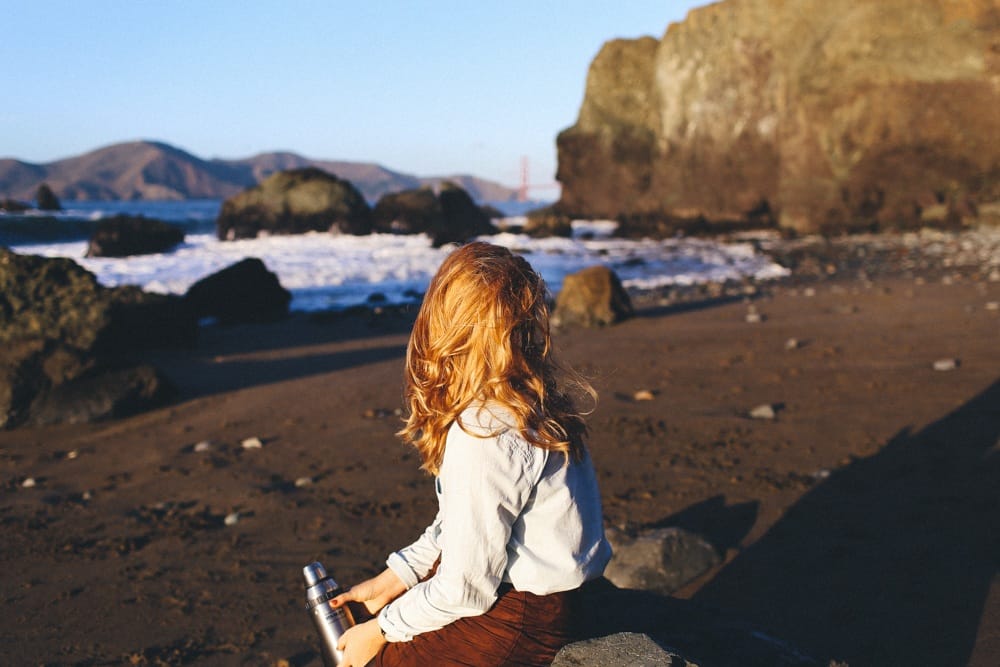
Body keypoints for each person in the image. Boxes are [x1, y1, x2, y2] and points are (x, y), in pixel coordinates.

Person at [331, 242, 612, 666]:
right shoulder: (528, 402)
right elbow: (460, 526)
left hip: (523, 616)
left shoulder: (485, 430)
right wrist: (394, 580)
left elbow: (466, 588)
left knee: (380, 660)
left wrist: (381, 630)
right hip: (556, 596)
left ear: (444, 325)